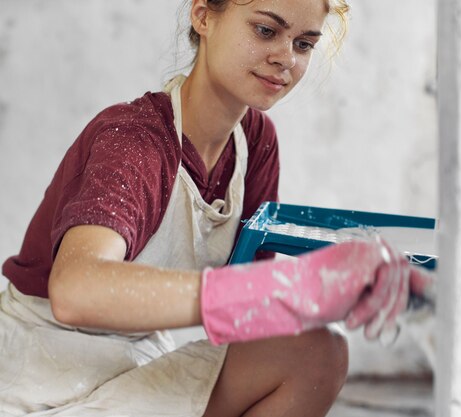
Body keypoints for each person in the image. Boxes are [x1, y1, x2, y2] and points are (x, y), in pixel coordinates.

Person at [0, 0, 430, 416]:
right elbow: (77, 292)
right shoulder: (135, 139)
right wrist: (291, 287)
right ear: (203, 16)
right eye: (266, 30)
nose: (285, 58)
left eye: (304, 44)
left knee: (319, 352)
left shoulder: (255, 142)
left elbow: (252, 318)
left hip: (136, 363)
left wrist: (353, 291)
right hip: (41, 376)